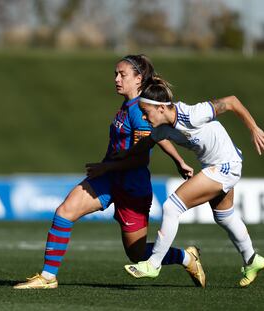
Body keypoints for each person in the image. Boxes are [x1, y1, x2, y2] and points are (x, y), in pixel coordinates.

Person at [14, 55, 205, 290]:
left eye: (122, 75)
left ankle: (187, 258)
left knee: (137, 254)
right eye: (115, 74)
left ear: (138, 79)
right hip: (108, 178)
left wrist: (107, 166)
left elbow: (140, 156)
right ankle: (48, 276)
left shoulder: (139, 111)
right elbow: (156, 136)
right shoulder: (130, 105)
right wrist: (178, 160)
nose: (116, 79)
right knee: (65, 212)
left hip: (132, 185)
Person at [88, 79, 264, 287]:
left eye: (146, 112)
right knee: (224, 216)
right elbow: (147, 142)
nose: (144, 117)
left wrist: (254, 129)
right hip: (216, 166)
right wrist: (124, 154)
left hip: (226, 165)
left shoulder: (193, 114)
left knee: (172, 207)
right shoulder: (161, 129)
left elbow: (232, 102)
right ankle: (252, 260)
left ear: (161, 108)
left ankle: (153, 264)